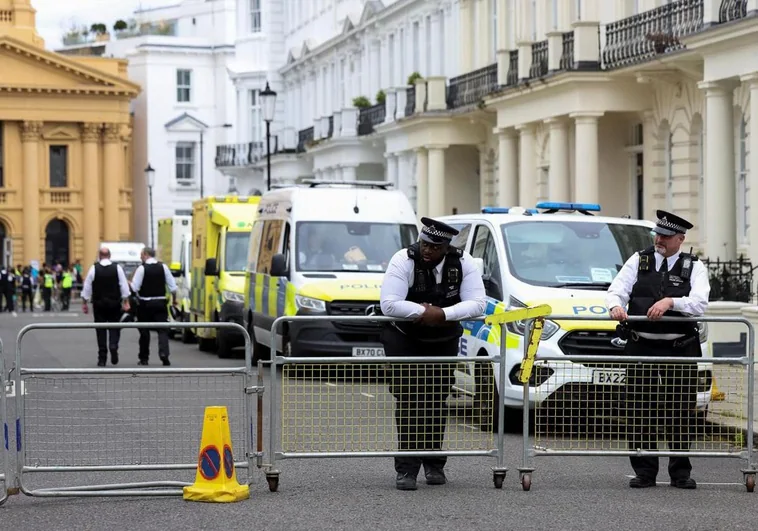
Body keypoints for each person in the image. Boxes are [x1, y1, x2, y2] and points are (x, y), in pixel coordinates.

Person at [379, 217, 486, 491]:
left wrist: (443, 314)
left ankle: (434, 464)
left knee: (437, 398)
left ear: (446, 247)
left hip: (443, 338)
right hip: (404, 338)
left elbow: (478, 304)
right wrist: (424, 313)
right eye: (425, 244)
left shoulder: (464, 263)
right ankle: (406, 469)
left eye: (435, 247)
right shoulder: (403, 259)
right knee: (409, 398)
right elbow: (389, 304)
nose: (427, 250)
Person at [606, 210, 710, 490]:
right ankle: (644, 471)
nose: (659, 240)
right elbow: (616, 289)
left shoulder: (694, 267)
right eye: (657, 235)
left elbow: (700, 303)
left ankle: (680, 473)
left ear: (680, 238)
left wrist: (671, 303)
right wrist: (615, 305)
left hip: (680, 348)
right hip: (642, 345)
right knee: (640, 409)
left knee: (680, 410)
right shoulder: (638, 260)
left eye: (665, 236)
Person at [81, 248, 131, 366]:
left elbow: (87, 287)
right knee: (114, 326)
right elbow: (123, 285)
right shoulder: (117, 268)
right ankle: (113, 345)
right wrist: (126, 300)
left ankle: (102, 358)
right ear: (109, 255)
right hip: (114, 303)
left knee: (100, 330)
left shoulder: (94, 268)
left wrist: (84, 302)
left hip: (99, 304)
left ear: (99, 256)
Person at [130, 247, 178, 366]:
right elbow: (173, 287)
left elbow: (135, 288)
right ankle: (164, 355)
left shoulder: (142, 269)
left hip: (145, 304)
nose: (140, 257)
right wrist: (174, 300)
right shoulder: (163, 267)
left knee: (144, 331)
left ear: (146, 254)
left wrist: (129, 284)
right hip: (161, 302)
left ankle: (144, 358)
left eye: (141, 255)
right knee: (162, 330)